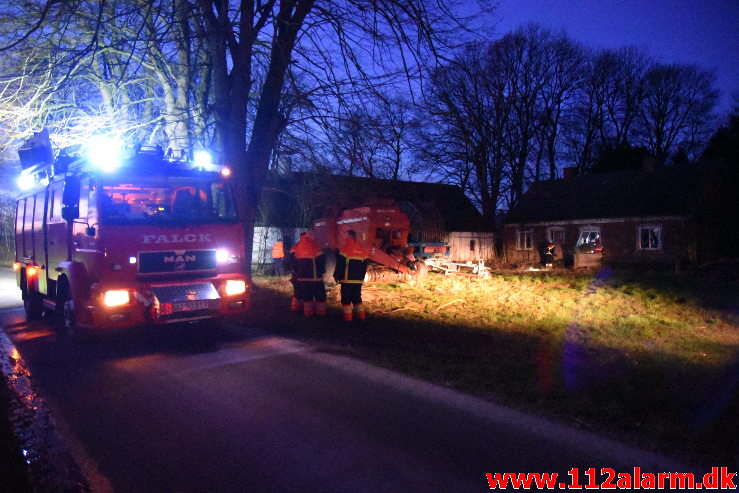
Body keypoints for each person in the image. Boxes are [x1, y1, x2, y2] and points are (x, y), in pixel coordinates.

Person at [334, 229, 369, 321]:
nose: (345, 238)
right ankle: (361, 317)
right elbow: (365, 266)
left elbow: (340, 265)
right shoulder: (362, 250)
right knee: (357, 299)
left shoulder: (345, 249)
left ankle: (348, 319)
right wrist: (361, 278)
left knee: (346, 299)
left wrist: (336, 276)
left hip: (347, 280)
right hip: (358, 281)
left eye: (346, 236)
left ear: (349, 237)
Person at [289, 231, 326, 316]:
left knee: (305, 295)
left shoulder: (297, 247)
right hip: (315, 277)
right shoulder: (315, 246)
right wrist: (322, 271)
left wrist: (296, 272)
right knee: (319, 295)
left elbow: (293, 262)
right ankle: (320, 313)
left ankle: (307, 313)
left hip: (301, 277)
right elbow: (321, 261)